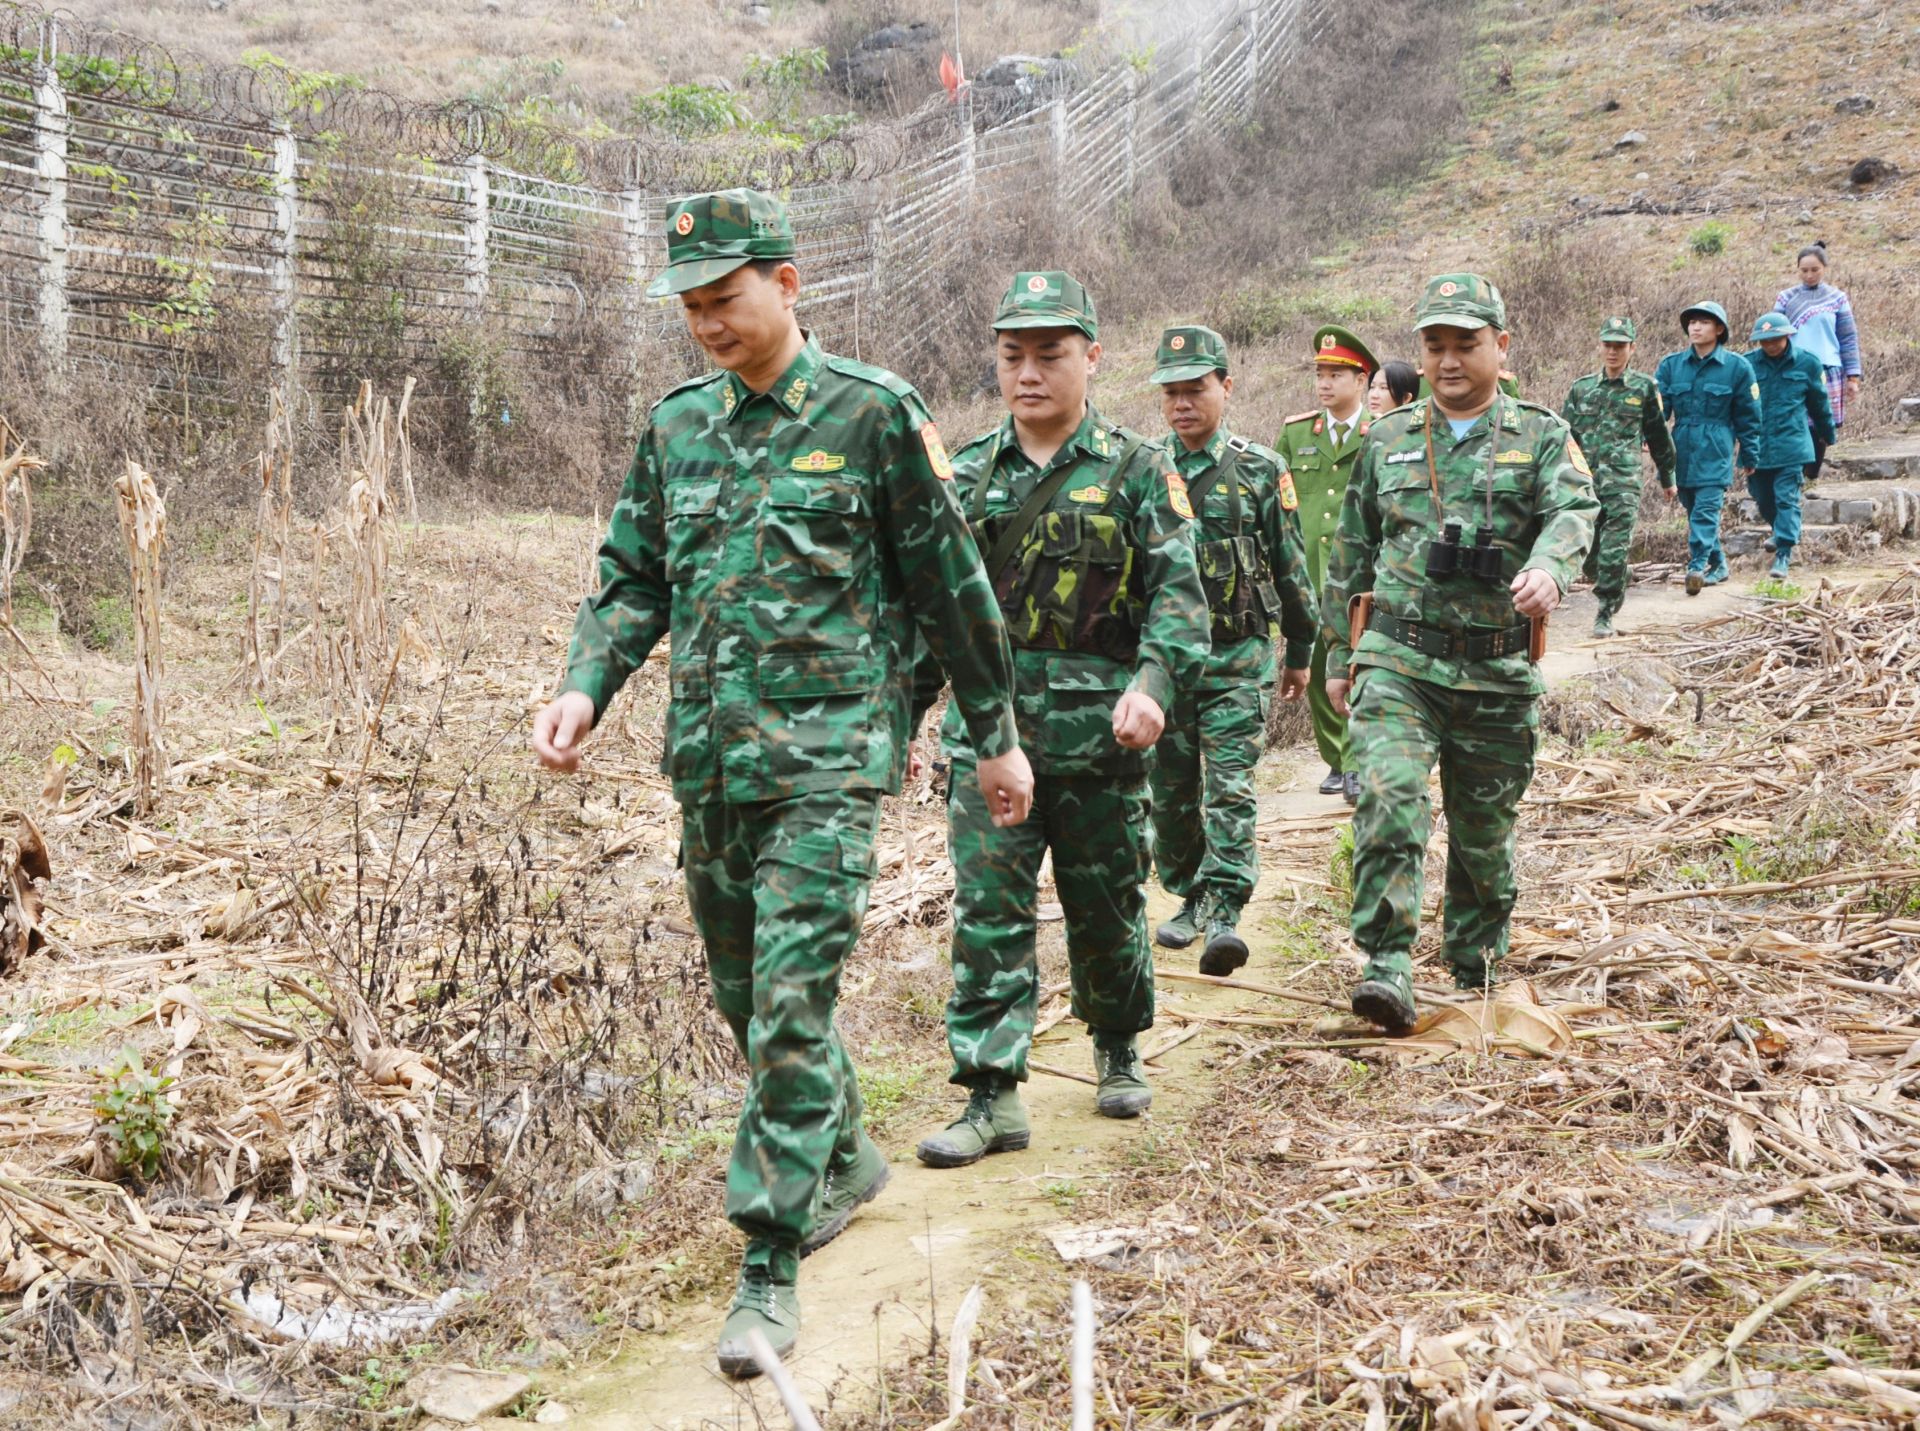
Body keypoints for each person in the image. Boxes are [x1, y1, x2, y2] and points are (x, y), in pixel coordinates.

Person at [531, 189, 1034, 1378]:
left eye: (727, 299)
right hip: (709, 764)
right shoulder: (677, 429)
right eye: (693, 307)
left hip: (826, 767)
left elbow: (953, 592)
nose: (708, 324)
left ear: (787, 283)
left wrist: (996, 733)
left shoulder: (870, 417)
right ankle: (847, 1152)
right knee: (743, 996)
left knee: (791, 1004)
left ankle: (768, 1258)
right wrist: (584, 686)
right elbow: (631, 580)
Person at [912, 271, 1208, 1169]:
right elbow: (933, 611)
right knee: (989, 912)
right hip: (992, 741)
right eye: (1013, 357)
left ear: (1091, 357)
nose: (1029, 373)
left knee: (1106, 904)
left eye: (1050, 354)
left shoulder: (1137, 470)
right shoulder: (962, 476)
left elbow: (1180, 601)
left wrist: (1153, 686)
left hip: (1099, 740)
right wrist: (911, 718)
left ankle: (1117, 1045)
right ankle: (990, 1091)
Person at [1321, 273, 1596, 1033]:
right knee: (1389, 799)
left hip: (1497, 669)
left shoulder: (1541, 434)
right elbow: (1350, 550)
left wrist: (1549, 567)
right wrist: (1337, 659)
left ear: (1501, 347)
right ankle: (1386, 964)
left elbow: (1576, 507)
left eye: (1464, 344)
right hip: (1400, 660)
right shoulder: (1387, 439)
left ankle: (1474, 958)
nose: (1446, 360)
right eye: (1433, 345)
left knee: (1483, 834)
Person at [1146, 325, 1316, 973]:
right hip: (1167, 666)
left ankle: (1225, 910)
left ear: (1226, 387)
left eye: (1195, 390)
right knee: (1171, 792)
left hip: (1237, 657)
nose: (1182, 404)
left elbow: (1289, 565)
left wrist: (1299, 648)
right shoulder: (1145, 467)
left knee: (1230, 787)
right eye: (1171, 393)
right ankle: (1189, 891)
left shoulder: (1260, 469)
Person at [1274, 325, 1379, 805]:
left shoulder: (1379, 433)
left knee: (1357, 667)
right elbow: (1281, 501)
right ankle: (1337, 759)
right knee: (1317, 667)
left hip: (1363, 575)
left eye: (1337, 374)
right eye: (1320, 373)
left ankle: (1358, 762)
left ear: (1362, 381)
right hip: (1310, 572)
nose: (1324, 382)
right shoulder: (1297, 434)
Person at [1560, 317, 1677, 636]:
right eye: (1608, 345)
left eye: (1620, 346)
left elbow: (1657, 434)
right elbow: (1565, 437)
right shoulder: (1581, 388)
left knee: (1613, 549)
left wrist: (1667, 475)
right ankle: (1617, 576)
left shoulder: (1643, 387)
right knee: (1588, 556)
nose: (1613, 352)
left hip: (1624, 483)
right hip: (1585, 484)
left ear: (1632, 348)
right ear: (1600, 347)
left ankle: (1605, 612)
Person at [1654, 301, 1762, 595]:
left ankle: (1696, 565)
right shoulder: (1671, 365)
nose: (1696, 327)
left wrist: (1749, 453)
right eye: (1691, 323)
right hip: (1682, 449)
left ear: (1719, 329)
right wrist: (1652, 446)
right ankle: (1720, 564)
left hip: (1716, 447)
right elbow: (1657, 412)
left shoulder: (1737, 367)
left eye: (1703, 322)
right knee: (1692, 509)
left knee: (1705, 511)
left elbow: (1749, 416)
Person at [1745, 311, 1836, 579]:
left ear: (1787, 336)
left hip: (1792, 442)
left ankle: (1783, 553)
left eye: (1775, 339)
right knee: (1763, 499)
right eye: (1764, 340)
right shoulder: (1747, 365)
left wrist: (1827, 434)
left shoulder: (1807, 363)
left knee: (1787, 497)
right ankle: (1782, 532)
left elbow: (1819, 403)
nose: (1770, 345)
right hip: (1758, 445)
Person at [1772, 242, 1862, 483]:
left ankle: (1812, 475)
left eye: (1815, 269)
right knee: (1795, 422)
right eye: (1804, 270)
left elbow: (1847, 337)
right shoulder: (1786, 298)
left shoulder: (1837, 298)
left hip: (1828, 368)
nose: (1809, 275)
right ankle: (1796, 475)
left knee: (1821, 425)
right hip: (1793, 369)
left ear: (1824, 268)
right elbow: (1773, 334)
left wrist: (1852, 376)